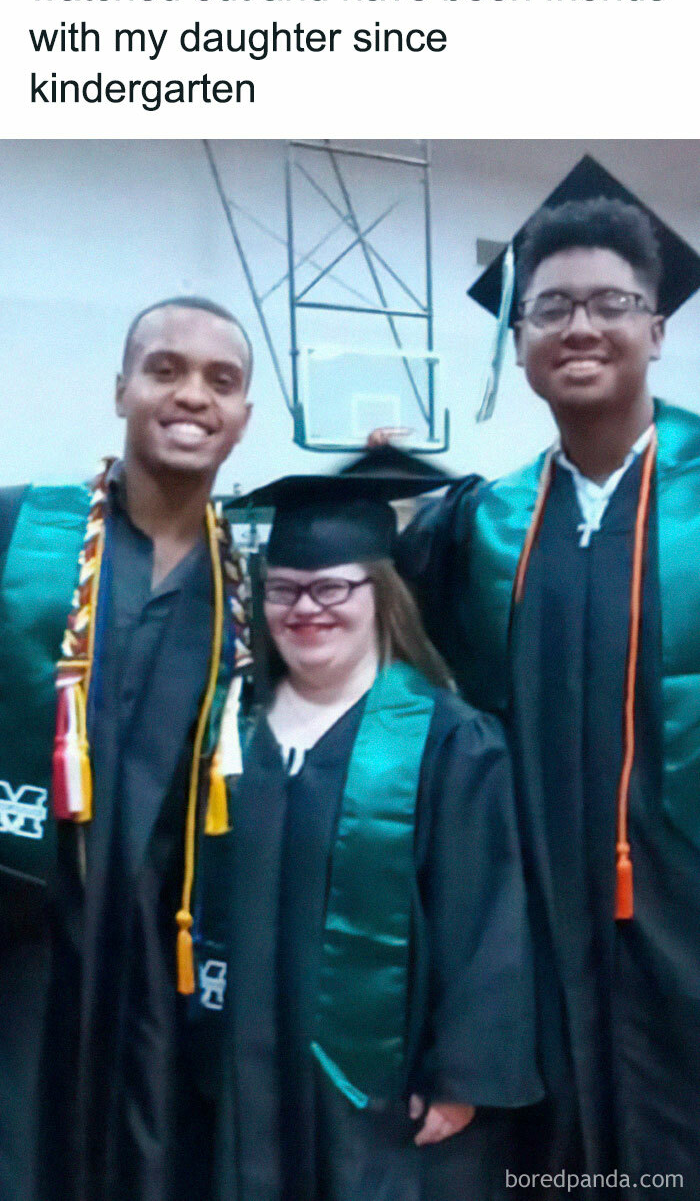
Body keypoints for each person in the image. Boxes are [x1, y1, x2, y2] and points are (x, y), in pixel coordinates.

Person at [396, 156, 700, 1196]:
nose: (579, 326)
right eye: (550, 306)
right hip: (531, 931)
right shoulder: (476, 526)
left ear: (655, 329)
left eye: (610, 303)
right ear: (518, 340)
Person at [214, 447, 543, 1201]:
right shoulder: (232, 730)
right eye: (285, 590)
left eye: (331, 586)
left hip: (389, 1099)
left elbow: (487, 918)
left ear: (381, 592)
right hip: (248, 1082)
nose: (305, 608)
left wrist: (464, 1075)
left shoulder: (449, 740)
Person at [0, 296, 255, 1201]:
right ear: (120, 390)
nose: (192, 395)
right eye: (165, 369)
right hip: (21, 926)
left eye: (220, 380)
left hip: (159, 945)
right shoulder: (20, 529)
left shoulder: (253, 595)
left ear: (245, 416)